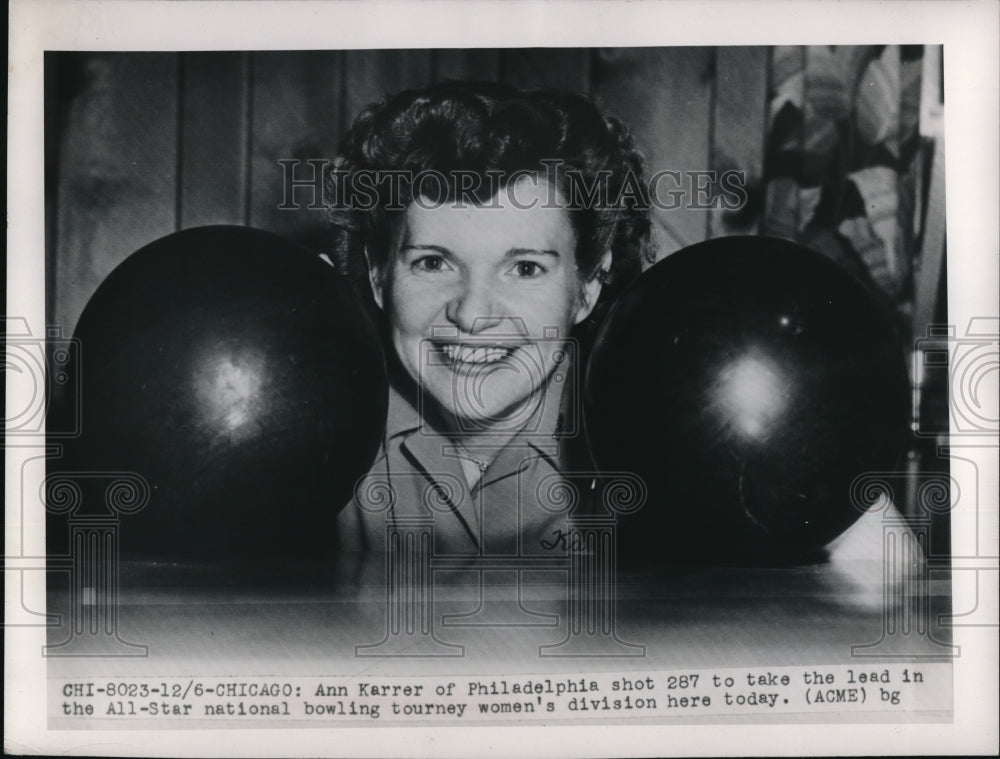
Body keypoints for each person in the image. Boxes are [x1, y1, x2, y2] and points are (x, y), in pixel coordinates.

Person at [325, 81, 652, 560]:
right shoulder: (322, 431)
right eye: (433, 263)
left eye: (524, 269)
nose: (473, 314)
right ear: (378, 275)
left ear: (589, 284)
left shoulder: (642, 445)